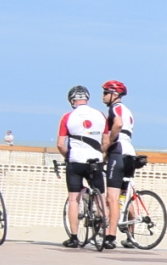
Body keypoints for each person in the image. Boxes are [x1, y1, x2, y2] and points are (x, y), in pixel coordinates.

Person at [54, 85, 108, 248]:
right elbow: (106, 142)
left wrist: (68, 157)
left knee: (73, 199)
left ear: (72, 101)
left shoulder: (67, 117)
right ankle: (101, 233)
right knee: (101, 197)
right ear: (87, 99)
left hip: (76, 160)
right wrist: (100, 156)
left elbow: (60, 144)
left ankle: (74, 237)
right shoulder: (100, 115)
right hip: (95, 160)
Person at [100, 80, 140, 239]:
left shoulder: (114, 108)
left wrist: (108, 143)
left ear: (114, 95)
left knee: (112, 197)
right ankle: (131, 236)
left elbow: (117, 124)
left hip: (119, 151)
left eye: (105, 93)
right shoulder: (127, 110)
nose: (102, 96)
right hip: (130, 151)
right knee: (126, 195)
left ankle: (111, 235)